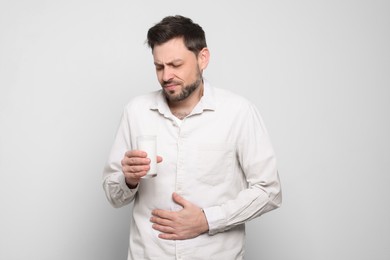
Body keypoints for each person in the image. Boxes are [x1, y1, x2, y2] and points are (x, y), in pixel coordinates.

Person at [102, 15, 282, 260]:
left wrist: (206, 220)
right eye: (159, 66)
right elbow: (114, 195)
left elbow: (269, 191)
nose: (166, 76)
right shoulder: (136, 112)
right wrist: (129, 180)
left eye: (176, 65)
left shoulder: (238, 112)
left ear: (202, 58)